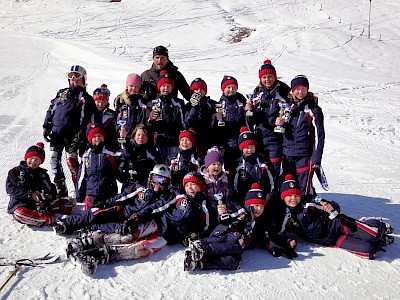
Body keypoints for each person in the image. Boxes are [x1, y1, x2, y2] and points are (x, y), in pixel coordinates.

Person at [62, 171, 215, 276]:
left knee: (139, 250)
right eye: (187, 185)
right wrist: (136, 218)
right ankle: (85, 242)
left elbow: (206, 227)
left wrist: (194, 235)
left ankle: (96, 256)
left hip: (168, 236)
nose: (189, 187)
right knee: (126, 237)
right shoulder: (179, 196)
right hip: (157, 223)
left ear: (201, 187)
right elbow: (156, 208)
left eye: (193, 184)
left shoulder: (204, 206)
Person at [184, 183, 297, 271]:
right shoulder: (242, 212)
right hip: (224, 234)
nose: (258, 209)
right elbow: (225, 219)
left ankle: (199, 262)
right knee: (237, 242)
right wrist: (224, 215)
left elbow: (265, 236)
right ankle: (201, 247)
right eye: (255, 205)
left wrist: (273, 246)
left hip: (236, 245)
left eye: (261, 206)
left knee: (235, 262)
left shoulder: (261, 223)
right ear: (248, 204)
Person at [278, 174, 394, 259]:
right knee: (369, 252)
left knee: (373, 233)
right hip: (333, 240)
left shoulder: (309, 203)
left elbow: (332, 205)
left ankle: (379, 226)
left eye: (296, 195)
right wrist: (288, 241)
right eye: (289, 195)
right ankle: (381, 241)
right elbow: (280, 234)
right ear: (283, 197)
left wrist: (330, 206)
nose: (293, 198)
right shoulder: (284, 216)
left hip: (339, 224)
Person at [42, 65, 96, 197]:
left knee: (72, 163)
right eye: (71, 77)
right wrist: (46, 124)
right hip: (56, 133)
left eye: (77, 77)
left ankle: (80, 190)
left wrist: (80, 136)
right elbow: (52, 108)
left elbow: (85, 119)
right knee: (54, 161)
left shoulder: (85, 98)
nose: (74, 80)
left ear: (83, 79)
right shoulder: (62, 93)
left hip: (71, 135)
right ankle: (61, 189)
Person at [275, 75, 325, 201]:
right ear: (292, 90)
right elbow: (282, 132)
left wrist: (316, 158)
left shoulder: (313, 109)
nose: (300, 92)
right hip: (288, 154)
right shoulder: (287, 107)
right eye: (297, 89)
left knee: (304, 187)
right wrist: (279, 124)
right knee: (289, 185)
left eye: (303, 88)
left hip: (305, 154)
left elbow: (320, 135)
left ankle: (305, 211)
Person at [6, 142, 73, 226]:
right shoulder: (15, 172)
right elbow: (10, 189)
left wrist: (50, 195)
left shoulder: (42, 174)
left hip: (39, 204)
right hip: (20, 203)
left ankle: (42, 214)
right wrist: (30, 194)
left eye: (37, 159)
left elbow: (50, 187)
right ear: (26, 157)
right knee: (20, 213)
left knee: (67, 204)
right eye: (31, 158)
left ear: (41, 162)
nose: (33, 161)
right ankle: (44, 219)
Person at [247, 59, 291, 184]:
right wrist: (249, 112)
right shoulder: (256, 95)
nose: (267, 80)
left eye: (270, 76)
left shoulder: (282, 94)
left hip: (275, 140)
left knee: (275, 170)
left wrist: (283, 119)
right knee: (261, 170)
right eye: (264, 77)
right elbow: (251, 120)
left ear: (275, 77)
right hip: (259, 139)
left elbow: (288, 111)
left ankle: (275, 195)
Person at [76, 123, 120, 209]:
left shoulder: (109, 154)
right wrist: (79, 194)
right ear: (90, 139)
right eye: (94, 136)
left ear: (104, 137)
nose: (97, 139)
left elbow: (116, 171)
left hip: (107, 194)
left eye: (99, 135)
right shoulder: (86, 156)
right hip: (91, 195)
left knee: (107, 218)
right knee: (90, 218)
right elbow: (81, 176)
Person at [211, 75, 246, 182]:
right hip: (224, 142)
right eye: (228, 87)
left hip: (238, 141)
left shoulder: (241, 102)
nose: (231, 90)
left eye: (233, 87)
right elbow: (214, 126)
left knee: (237, 168)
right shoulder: (219, 104)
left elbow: (245, 121)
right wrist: (217, 119)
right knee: (224, 169)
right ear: (223, 89)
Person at [148, 70, 186, 163]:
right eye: (163, 86)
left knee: (174, 167)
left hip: (174, 142)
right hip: (159, 142)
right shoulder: (152, 103)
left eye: (168, 86)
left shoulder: (178, 103)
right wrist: (151, 119)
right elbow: (147, 125)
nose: (166, 88)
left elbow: (183, 123)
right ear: (159, 87)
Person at [234, 126, 275, 205]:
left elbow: (272, 183)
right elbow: (235, 187)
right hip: (245, 202)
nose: (249, 150)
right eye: (246, 147)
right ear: (242, 148)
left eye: (252, 147)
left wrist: (267, 199)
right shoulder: (238, 165)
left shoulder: (263, 162)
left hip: (262, 201)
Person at [118, 124, 163, 189]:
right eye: (138, 135)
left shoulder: (152, 152)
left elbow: (158, 167)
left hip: (146, 187)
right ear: (134, 136)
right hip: (129, 187)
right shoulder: (128, 149)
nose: (141, 137)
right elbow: (121, 167)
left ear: (148, 138)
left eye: (143, 135)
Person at [114, 73, 149, 147]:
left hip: (139, 138)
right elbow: (116, 118)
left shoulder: (143, 101)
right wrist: (119, 129)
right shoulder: (120, 100)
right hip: (124, 137)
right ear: (127, 86)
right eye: (131, 86)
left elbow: (145, 119)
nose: (133, 88)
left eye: (136, 86)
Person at [184, 78, 217, 155]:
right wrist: (195, 107)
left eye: (201, 89)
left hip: (210, 138)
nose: (198, 91)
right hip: (194, 140)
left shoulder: (212, 104)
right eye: (196, 89)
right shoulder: (188, 106)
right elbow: (188, 122)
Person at [202, 147, 232, 212]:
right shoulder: (204, 179)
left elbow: (229, 194)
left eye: (219, 164)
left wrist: (226, 206)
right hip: (210, 208)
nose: (217, 166)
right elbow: (203, 196)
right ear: (208, 166)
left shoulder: (225, 177)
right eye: (214, 164)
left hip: (223, 207)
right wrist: (214, 206)